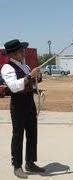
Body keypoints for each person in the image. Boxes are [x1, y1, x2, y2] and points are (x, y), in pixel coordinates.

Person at [1, 39, 45, 179]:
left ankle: (30, 162)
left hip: (29, 101)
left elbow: (29, 83)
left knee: (32, 132)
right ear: (13, 54)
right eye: (21, 50)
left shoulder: (24, 66)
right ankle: (17, 165)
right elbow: (14, 87)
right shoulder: (7, 68)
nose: (24, 52)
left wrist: (36, 80)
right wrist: (29, 76)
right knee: (18, 135)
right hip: (18, 104)